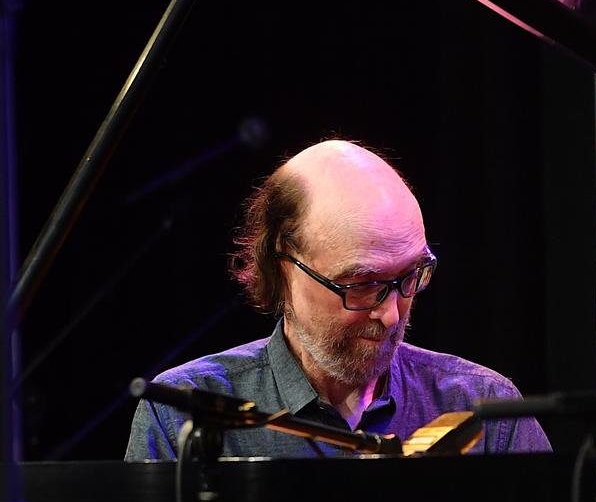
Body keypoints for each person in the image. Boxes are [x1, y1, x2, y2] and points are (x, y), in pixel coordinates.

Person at [126, 140, 551, 459]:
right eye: (362, 284)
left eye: (409, 277)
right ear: (282, 269)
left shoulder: (486, 411)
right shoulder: (184, 415)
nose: (389, 315)